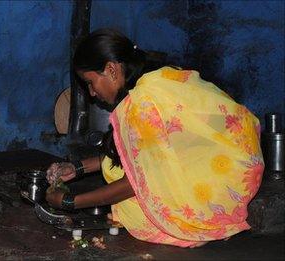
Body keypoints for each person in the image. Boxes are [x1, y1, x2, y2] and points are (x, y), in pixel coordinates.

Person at [45, 28, 264, 248]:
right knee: (121, 173)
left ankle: (203, 221)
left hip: (226, 181)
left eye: (91, 82)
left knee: (137, 212)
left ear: (111, 70)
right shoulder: (157, 78)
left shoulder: (141, 103)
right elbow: (146, 152)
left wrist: (71, 202)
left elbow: (137, 183)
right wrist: (77, 168)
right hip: (238, 161)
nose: (92, 93)